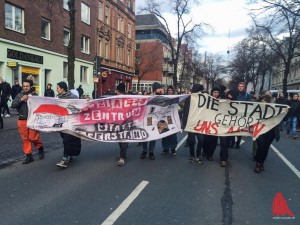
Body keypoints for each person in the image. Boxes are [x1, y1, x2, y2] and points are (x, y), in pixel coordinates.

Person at [11, 79, 45, 164]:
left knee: (33, 137)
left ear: (30, 87)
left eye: (27, 86)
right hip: (22, 119)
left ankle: (40, 148)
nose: (25, 87)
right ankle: (29, 156)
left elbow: (41, 106)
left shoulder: (35, 96)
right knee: (25, 139)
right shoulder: (19, 95)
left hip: (32, 119)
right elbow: (13, 105)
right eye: (24, 86)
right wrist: (21, 99)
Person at [56, 81, 81, 168]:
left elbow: (79, 106)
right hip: (62, 122)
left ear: (62, 89)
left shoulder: (73, 97)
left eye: (58, 88)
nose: (56, 89)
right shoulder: (57, 98)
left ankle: (64, 158)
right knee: (65, 139)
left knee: (66, 139)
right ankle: (69, 154)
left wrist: (86, 101)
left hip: (71, 122)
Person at [254, 95, 280, 173]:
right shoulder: (258, 107)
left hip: (271, 131)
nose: (263, 102)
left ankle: (261, 162)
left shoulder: (275, 108)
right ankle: (258, 164)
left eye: (265, 100)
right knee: (261, 146)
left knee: (265, 148)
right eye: (262, 100)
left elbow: (282, 117)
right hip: (260, 130)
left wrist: (285, 111)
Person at [182, 84, 205, 163]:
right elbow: (186, 111)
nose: (200, 92)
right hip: (191, 123)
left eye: (201, 91)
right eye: (199, 90)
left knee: (201, 140)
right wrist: (184, 123)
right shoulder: (189, 99)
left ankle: (198, 155)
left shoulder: (203, 99)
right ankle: (192, 155)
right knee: (191, 140)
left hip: (200, 123)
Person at [140, 82, 163, 160]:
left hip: (155, 120)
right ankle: (144, 151)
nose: (160, 90)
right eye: (159, 88)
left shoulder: (161, 98)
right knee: (145, 136)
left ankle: (151, 152)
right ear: (155, 89)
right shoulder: (148, 98)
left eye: (160, 88)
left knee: (153, 136)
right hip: (147, 119)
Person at [161, 85, 178, 156]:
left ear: (173, 91)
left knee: (173, 135)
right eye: (168, 90)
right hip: (164, 119)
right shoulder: (164, 98)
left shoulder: (176, 99)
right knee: (164, 135)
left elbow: (180, 107)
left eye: (171, 90)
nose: (170, 92)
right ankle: (165, 149)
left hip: (172, 119)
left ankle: (173, 149)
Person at [115, 83, 129, 166]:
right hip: (118, 122)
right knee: (120, 139)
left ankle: (122, 158)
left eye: (116, 90)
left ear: (119, 90)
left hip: (126, 122)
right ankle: (123, 154)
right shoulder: (115, 99)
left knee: (124, 140)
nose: (115, 91)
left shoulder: (128, 99)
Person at [235, 82, 252, 149]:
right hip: (234, 115)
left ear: (244, 87)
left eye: (242, 86)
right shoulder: (235, 94)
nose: (240, 87)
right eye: (239, 86)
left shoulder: (248, 96)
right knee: (232, 129)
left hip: (242, 116)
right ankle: (233, 142)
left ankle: (238, 142)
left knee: (240, 130)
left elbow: (250, 105)